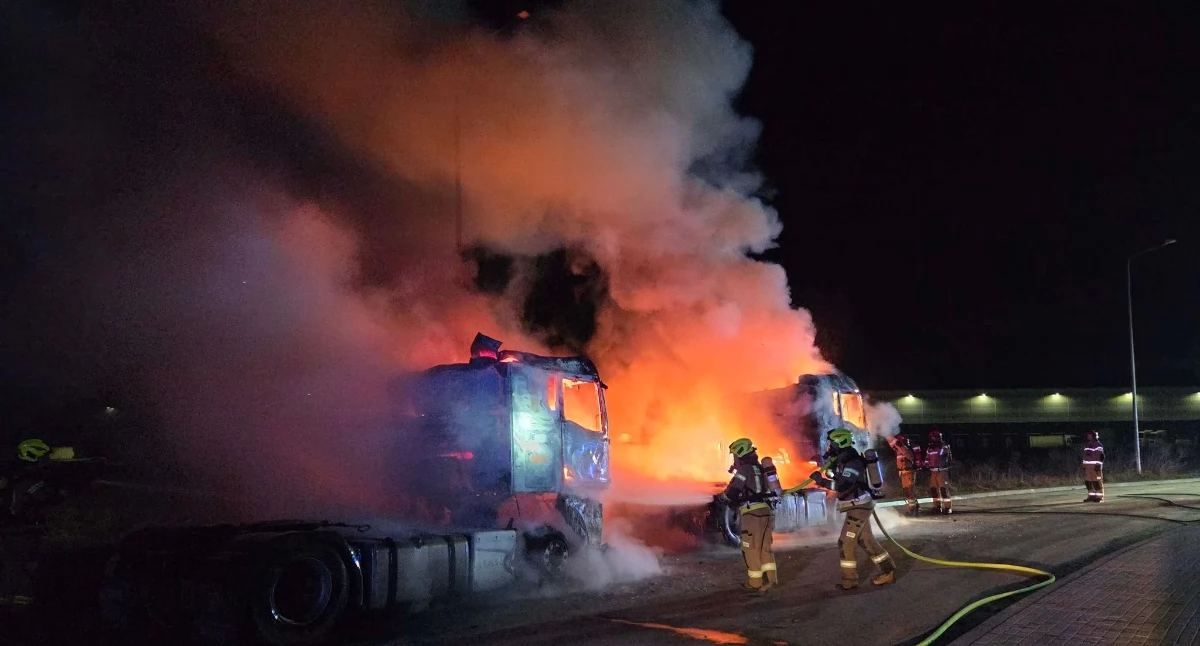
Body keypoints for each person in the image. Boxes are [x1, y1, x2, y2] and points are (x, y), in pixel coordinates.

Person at [809, 428, 895, 590]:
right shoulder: (843, 460)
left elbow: (844, 484)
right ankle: (888, 571)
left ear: (841, 442)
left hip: (859, 506)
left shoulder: (852, 461)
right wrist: (830, 471)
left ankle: (849, 580)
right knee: (866, 541)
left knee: (845, 542)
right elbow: (840, 477)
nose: (830, 446)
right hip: (856, 505)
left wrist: (821, 481)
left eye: (832, 443)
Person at [716, 438, 777, 592]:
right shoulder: (761, 468)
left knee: (750, 548)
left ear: (741, 453)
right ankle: (770, 581)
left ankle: (755, 584)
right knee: (765, 548)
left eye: (735, 455)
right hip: (766, 512)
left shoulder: (744, 470)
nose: (734, 459)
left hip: (752, 513)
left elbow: (732, 491)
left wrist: (721, 498)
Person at [888, 433, 922, 516]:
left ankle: (912, 510)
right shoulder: (899, 449)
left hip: (908, 472)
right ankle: (914, 507)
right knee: (908, 491)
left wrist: (896, 441)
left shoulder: (905, 449)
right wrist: (887, 434)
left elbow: (904, 451)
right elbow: (892, 444)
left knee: (910, 491)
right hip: (904, 472)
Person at [925, 429, 954, 515]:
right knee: (934, 490)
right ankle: (937, 506)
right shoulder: (930, 448)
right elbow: (927, 458)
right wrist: (926, 464)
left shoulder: (944, 447)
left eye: (934, 438)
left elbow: (942, 456)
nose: (932, 440)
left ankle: (948, 508)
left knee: (943, 490)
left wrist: (938, 446)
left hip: (942, 471)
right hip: (933, 472)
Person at [1082, 430, 1105, 502]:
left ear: (1094, 436)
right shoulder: (1087, 445)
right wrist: (1084, 465)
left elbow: (1101, 456)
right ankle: (1091, 496)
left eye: (1090, 435)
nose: (1088, 436)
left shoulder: (1098, 445)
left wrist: (1098, 465)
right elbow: (1085, 456)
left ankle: (1099, 497)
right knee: (1088, 482)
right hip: (1088, 468)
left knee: (1097, 482)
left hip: (1095, 467)